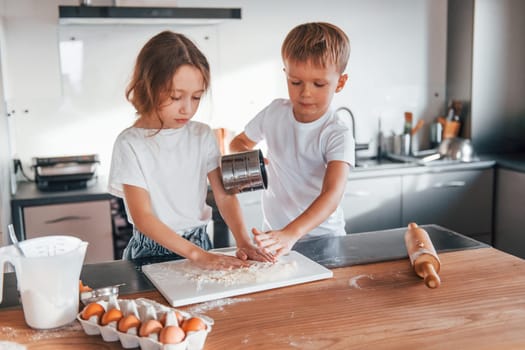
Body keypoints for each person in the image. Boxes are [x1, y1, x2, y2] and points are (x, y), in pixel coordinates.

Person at [108, 31, 272, 269]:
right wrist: (198, 256)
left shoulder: (202, 135)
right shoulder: (130, 143)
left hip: (200, 242)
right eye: (176, 97)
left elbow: (224, 195)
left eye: (196, 97)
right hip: (150, 251)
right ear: (148, 87)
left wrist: (243, 240)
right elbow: (143, 217)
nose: (187, 109)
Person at [229, 22, 355, 259]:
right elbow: (239, 143)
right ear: (285, 74)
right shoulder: (274, 112)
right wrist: (252, 164)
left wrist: (291, 233)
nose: (305, 93)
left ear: (340, 82)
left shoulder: (336, 132)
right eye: (295, 82)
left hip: (324, 238)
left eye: (319, 84)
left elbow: (331, 196)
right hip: (276, 235)